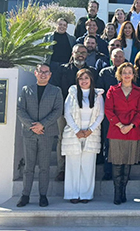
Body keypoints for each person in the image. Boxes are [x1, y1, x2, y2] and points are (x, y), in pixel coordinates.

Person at [16, 64, 63, 208]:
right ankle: (25, 195)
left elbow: (57, 110)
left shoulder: (56, 91)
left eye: (46, 72)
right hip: (30, 133)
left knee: (44, 166)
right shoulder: (26, 90)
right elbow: (20, 109)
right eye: (41, 72)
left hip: (46, 133)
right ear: (35, 73)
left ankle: (43, 196)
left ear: (50, 74)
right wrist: (33, 125)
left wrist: (42, 124)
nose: (43, 74)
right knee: (28, 166)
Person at [51, 44, 98, 182]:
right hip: (65, 112)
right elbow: (56, 90)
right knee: (63, 138)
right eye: (78, 52)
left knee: (84, 139)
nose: (81, 55)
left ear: (87, 55)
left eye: (83, 52)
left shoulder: (92, 72)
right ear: (72, 53)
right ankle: (62, 169)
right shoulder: (62, 70)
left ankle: (83, 169)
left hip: (86, 113)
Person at [62, 69, 104, 203]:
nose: (83, 81)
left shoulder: (98, 95)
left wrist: (90, 130)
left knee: (88, 165)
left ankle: (85, 194)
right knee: (73, 164)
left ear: (91, 80)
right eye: (81, 78)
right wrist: (76, 130)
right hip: (74, 133)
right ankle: (72, 194)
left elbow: (100, 115)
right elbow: (67, 113)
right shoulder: (72, 93)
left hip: (91, 134)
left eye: (86, 78)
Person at [105, 62, 140, 205]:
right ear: (120, 74)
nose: (127, 75)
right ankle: (117, 192)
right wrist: (121, 125)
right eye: (124, 72)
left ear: (134, 75)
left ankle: (123, 191)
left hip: (132, 130)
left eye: (130, 72)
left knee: (127, 163)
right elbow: (108, 110)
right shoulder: (112, 90)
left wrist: (131, 125)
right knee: (117, 163)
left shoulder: (139, 91)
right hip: (116, 130)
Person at [96, 48, 126, 180]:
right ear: (111, 58)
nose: (118, 59)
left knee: (124, 143)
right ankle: (108, 172)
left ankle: (123, 172)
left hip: (125, 114)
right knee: (108, 143)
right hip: (109, 114)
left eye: (120, 56)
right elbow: (100, 93)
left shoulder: (129, 72)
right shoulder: (104, 73)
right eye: (116, 56)